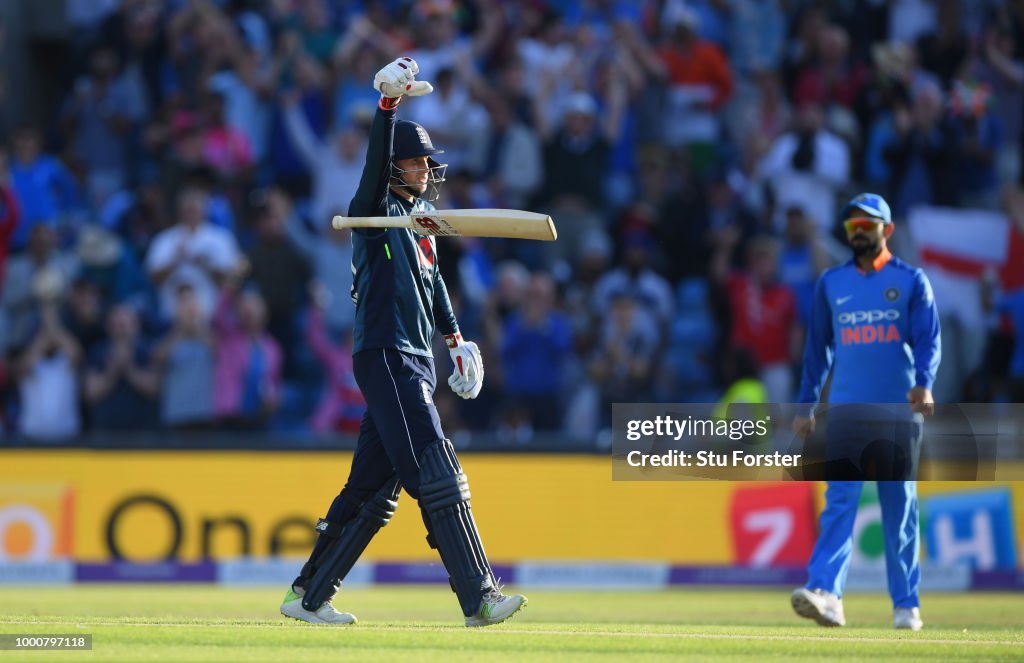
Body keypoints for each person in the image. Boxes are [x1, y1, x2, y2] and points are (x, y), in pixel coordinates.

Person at [280, 57, 527, 627]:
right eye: (416, 163)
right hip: (385, 351)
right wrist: (387, 107)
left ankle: (307, 596)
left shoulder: (421, 221)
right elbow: (371, 167)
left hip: (416, 358)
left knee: (372, 490)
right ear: (394, 167)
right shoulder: (373, 211)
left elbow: (435, 284)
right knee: (435, 469)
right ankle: (480, 596)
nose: (425, 171)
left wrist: (457, 338)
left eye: (427, 164)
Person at [789, 193, 941, 632]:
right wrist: (807, 403)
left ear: (887, 230)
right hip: (847, 410)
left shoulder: (911, 281)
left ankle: (906, 604)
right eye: (852, 225)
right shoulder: (831, 283)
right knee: (839, 504)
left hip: (897, 409)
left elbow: (930, 340)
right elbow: (817, 349)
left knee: (899, 510)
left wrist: (925, 384)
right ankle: (826, 594)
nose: (858, 231)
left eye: (868, 224)